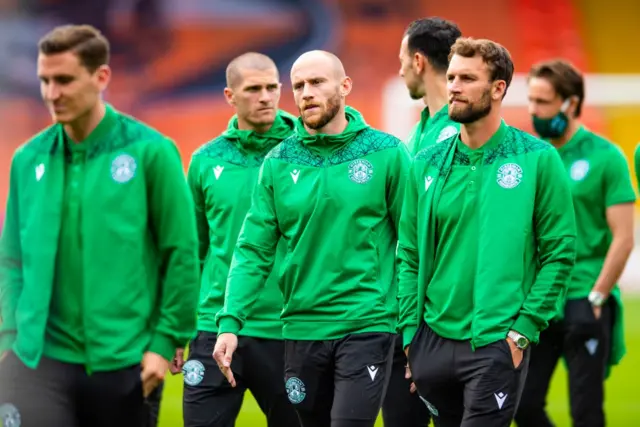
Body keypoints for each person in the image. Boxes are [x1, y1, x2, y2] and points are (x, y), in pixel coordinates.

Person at [0, 24, 199, 427]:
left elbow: (180, 253)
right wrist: (9, 337)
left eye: (64, 80)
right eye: (45, 80)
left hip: (125, 362)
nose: (52, 93)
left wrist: (164, 344)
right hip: (37, 360)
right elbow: (12, 259)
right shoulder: (27, 159)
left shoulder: (152, 153)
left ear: (101, 77)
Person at [213, 50, 410, 427]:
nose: (306, 92)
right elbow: (253, 249)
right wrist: (230, 321)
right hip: (301, 329)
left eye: (317, 82)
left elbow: (413, 242)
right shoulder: (278, 161)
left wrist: (413, 322)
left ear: (345, 86)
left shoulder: (387, 153)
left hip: (366, 324)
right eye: (299, 85)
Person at [397, 37, 577, 427]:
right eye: (451, 77)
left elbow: (560, 251)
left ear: (498, 88)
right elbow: (408, 253)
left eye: (467, 78)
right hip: (431, 341)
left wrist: (522, 332)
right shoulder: (425, 164)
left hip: (496, 341)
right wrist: (411, 335)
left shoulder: (537, 159)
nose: (454, 87)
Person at [178, 52, 300, 427]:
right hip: (214, 326)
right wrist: (178, 328)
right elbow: (194, 250)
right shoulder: (205, 160)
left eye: (271, 88)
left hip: (286, 328)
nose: (265, 97)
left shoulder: (308, 151)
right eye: (253, 89)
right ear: (230, 96)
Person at [514, 59, 636, 427]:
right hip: (542, 302)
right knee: (523, 405)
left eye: (543, 102)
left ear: (570, 103)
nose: (533, 111)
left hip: (586, 297)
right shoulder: (531, 156)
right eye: (531, 101)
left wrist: (598, 295)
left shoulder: (605, 157)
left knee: (586, 411)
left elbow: (624, 237)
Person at [389, 16, 462, 427]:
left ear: (418, 61)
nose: (398, 69)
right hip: (407, 312)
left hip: (442, 320)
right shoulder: (417, 135)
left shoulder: (462, 134)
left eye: (401, 59)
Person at [399, 17, 462, 157]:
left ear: (417, 62)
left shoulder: (467, 131)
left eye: (402, 61)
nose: (401, 72)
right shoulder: (417, 132)